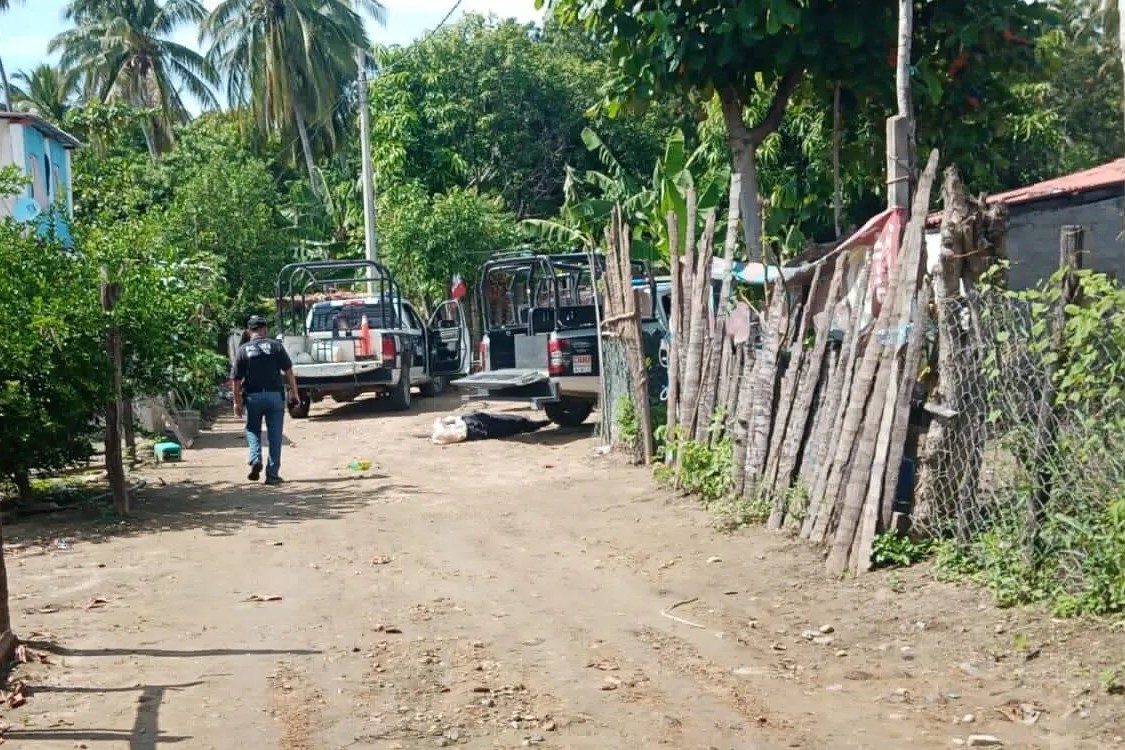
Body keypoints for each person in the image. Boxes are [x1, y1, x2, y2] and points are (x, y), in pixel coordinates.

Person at [230, 315, 300, 485]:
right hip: (275, 397)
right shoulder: (276, 346)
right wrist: (294, 393)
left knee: (253, 430)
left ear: (248, 331)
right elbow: (289, 371)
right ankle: (272, 475)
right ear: (265, 330)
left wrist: (236, 402)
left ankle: (255, 460)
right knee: (275, 436)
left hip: (253, 397)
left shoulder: (243, 350)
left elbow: (236, 380)